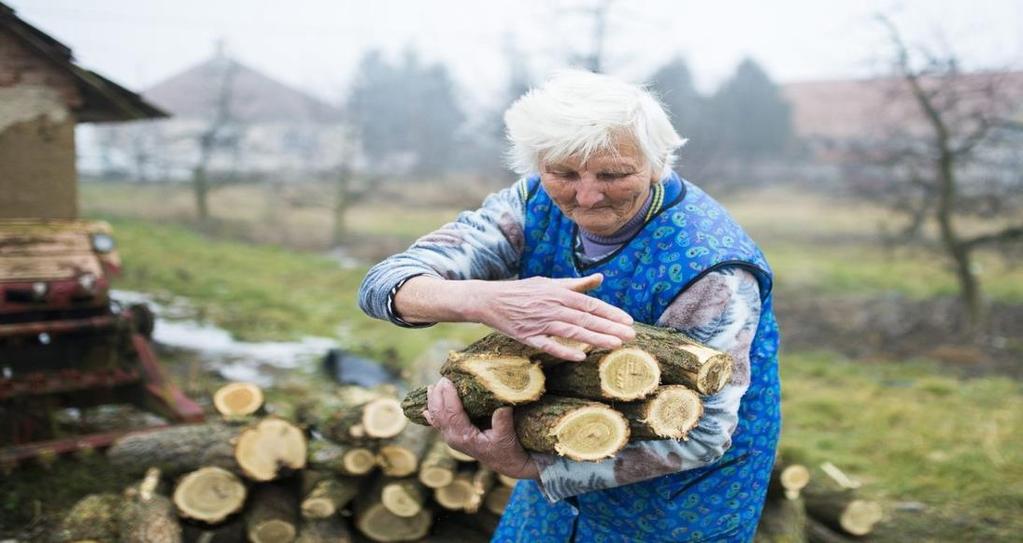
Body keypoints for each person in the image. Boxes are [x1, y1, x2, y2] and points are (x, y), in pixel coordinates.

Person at [359, 70, 780, 542]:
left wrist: (531, 465)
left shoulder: (712, 269)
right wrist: (482, 299)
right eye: (563, 173)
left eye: (614, 174)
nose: (586, 195)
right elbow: (384, 285)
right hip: (556, 473)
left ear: (658, 162)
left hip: (677, 502)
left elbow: (704, 435)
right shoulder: (530, 204)